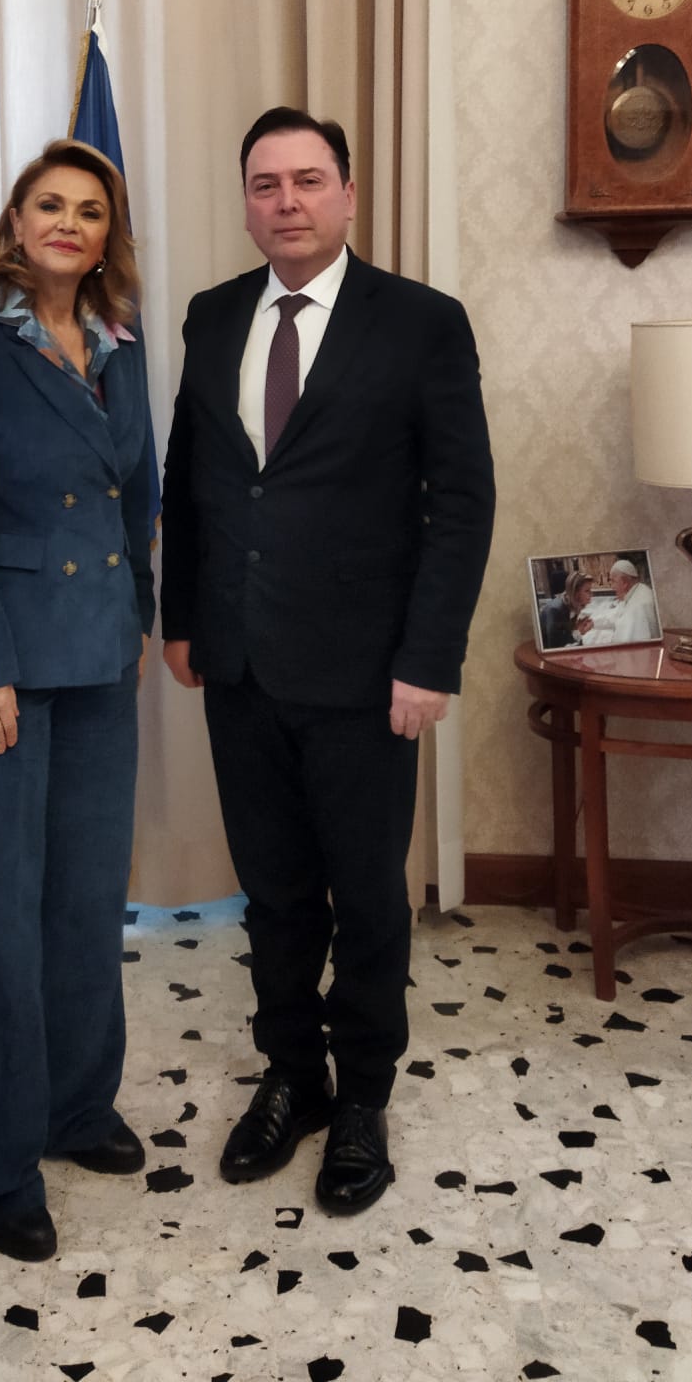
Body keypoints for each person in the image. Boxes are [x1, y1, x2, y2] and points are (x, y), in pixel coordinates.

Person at [161, 106, 494, 1215]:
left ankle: (364, 1097)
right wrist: (180, 617)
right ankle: (293, 1077)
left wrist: (429, 658)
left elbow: (462, 502)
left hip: (368, 673)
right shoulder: (213, 316)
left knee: (367, 897)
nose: (288, 201)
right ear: (246, 203)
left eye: (309, 180)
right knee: (273, 892)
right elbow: (189, 481)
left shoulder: (421, 322)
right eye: (266, 184)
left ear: (349, 194)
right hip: (240, 662)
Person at [0, 138, 156, 1263]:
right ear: (15, 222)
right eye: (49, 204)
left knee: (85, 901)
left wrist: (139, 616)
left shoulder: (120, 343)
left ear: (107, 236)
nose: (68, 222)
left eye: (89, 210)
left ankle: (73, 1105)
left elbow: (135, 495)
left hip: (99, 654)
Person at [579, 557, 660, 645]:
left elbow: (626, 644)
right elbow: (617, 615)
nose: (612, 587)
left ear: (624, 583)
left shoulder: (638, 607)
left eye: (613, 581)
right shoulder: (635, 593)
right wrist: (593, 623)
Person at [539, 571, 594, 650]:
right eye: (587, 591)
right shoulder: (555, 611)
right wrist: (578, 632)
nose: (591, 594)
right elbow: (555, 647)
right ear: (575, 592)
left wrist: (577, 628)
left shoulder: (573, 604)